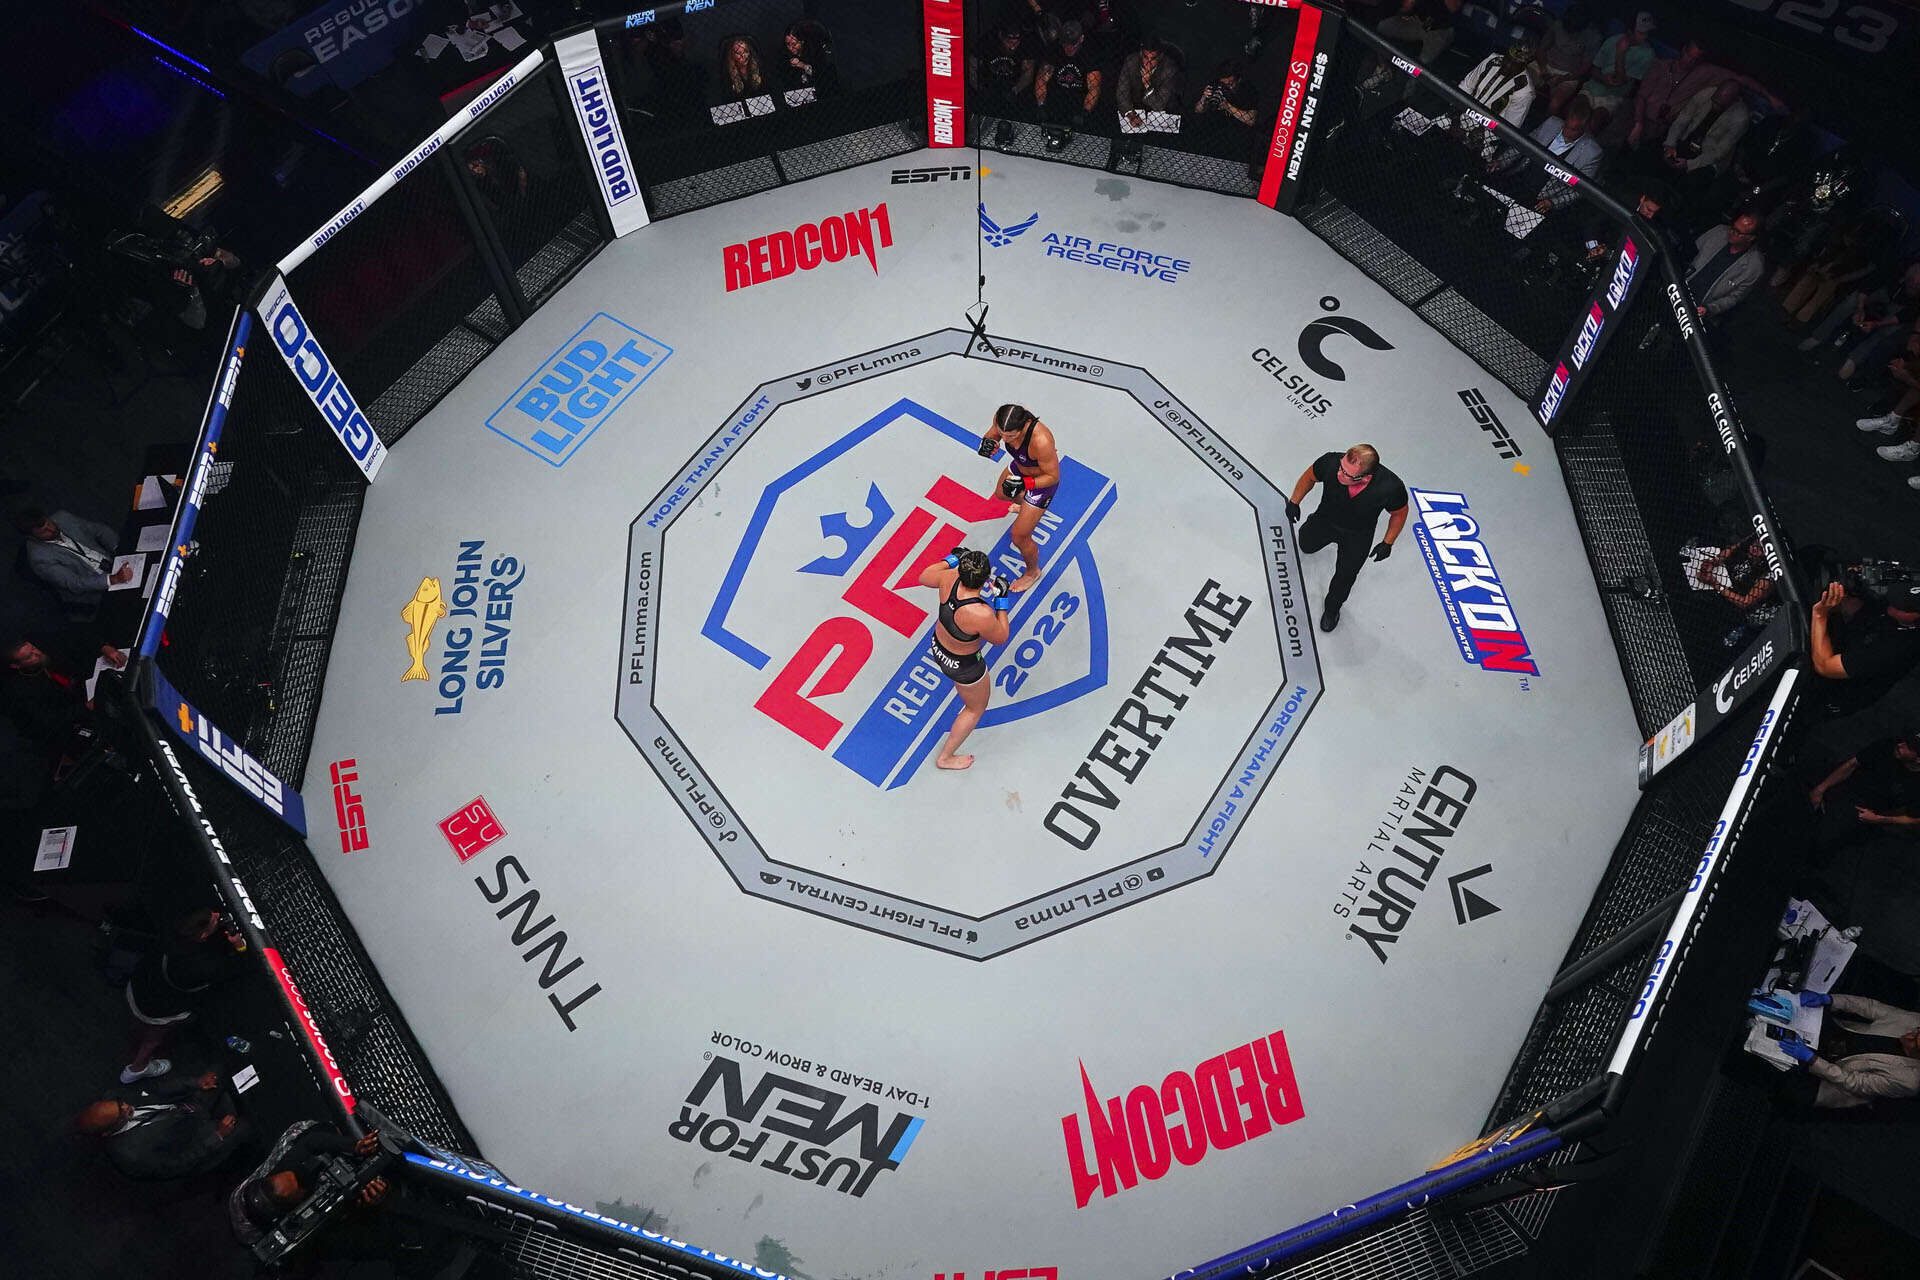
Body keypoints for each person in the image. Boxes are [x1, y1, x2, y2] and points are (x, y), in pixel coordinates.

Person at [1284, 444, 1409, 633]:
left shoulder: (1390, 487)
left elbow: (1399, 513)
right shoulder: (1331, 462)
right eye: (1341, 467)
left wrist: (1388, 542)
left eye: (1346, 474)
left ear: (1365, 477)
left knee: (1346, 576)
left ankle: (1332, 609)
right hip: (1325, 519)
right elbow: (1309, 476)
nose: (1339, 474)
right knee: (1306, 544)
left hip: (1357, 535)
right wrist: (1294, 502)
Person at [120, 907, 247, 1085]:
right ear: (203, 935)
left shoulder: (171, 934)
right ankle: (137, 1068)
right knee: (153, 1038)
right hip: (157, 1009)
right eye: (214, 919)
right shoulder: (202, 967)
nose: (218, 915)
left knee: (137, 1021)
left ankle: (136, 1035)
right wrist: (240, 946)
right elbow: (234, 969)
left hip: (138, 986)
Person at [915, 549, 1011, 771]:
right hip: (963, 666)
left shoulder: (948, 577)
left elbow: (924, 577)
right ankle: (945, 758)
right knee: (975, 709)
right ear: (985, 580)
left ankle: (947, 756)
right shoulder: (981, 613)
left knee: (972, 705)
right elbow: (1000, 638)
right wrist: (1001, 601)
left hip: (938, 647)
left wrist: (951, 560)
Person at [76, 1069, 244, 1179]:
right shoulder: (133, 1156)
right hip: (195, 1138)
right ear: (108, 1132)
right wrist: (217, 1137)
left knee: (222, 1070)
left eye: (120, 1104)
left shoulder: (114, 1098)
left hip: (185, 1104)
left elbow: (157, 1089)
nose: (126, 1106)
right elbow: (177, 1164)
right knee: (245, 1127)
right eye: (121, 1114)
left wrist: (196, 1083)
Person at [1776, 991, 1920, 1110]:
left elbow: (1854, 1082)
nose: (1909, 1035)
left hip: (1835, 1078)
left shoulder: (1909, 1080)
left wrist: (1812, 1059)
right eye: (1917, 1032)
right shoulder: (1915, 1021)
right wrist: (1829, 999)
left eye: (1914, 1042)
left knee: (1780, 1077)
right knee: (1789, 1009)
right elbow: (1870, 1007)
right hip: (1839, 1035)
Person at [979, 403, 1060, 592]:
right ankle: (1028, 508)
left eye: (1012, 437)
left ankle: (1032, 572)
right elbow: (992, 434)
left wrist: (1024, 484)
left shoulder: (1041, 441)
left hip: (1040, 482)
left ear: (1024, 426)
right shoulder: (1001, 418)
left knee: (1019, 536)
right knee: (1001, 493)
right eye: (1004, 436)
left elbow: (1053, 476)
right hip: (1019, 468)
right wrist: (988, 443)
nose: (1008, 441)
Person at [1810, 579, 1920, 716]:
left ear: (1915, 617)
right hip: (1848, 643)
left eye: (1901, 607)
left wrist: (1819, 614)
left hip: (1840, 696)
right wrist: (1844, 594)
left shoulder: (1897, 648)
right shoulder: (1887, 607)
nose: (1891, 606)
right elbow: (1863, 607)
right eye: (1893, 600)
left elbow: (1824, 666)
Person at [1808, 732, 1920, 857]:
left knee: (1825, 838)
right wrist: (1820, 789)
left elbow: (1915, 819)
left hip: (1865, 808)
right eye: (1906, 741)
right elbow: (1852, 764)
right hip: (1849, 782)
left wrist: (1878, 819)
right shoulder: (1889, 745)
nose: (1900, 745)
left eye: (1909, 747)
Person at [1800, 262, 1920, 377]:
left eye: (1917, 287)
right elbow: (1870, 284)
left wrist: (1876, 324)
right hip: (1884, 291)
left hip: (1902, 307)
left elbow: (1906, 315)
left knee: (1888, 331)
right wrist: (1860, 308)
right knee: (1850, 303)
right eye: (1912, 283)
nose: (1914, 286)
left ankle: (1852, 361)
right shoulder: (1896, 268)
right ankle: (1818, 337)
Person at [12, 505, 130, 617]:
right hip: (94, 590)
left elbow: (99, 530)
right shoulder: (39, 558)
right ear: (32, 537)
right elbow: (75, 583)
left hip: (112, 561)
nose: (52, 530)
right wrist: (113, 579)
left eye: (49, 523)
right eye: (44, 532)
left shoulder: (63, 517)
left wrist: (119, 548)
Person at [1661, 82, 1750, 214]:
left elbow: (1719, 152)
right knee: (1656, 157)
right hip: (1686, 141)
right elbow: (1682, 120)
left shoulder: (1740, 118)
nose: (1715, 106)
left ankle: (1674, 213)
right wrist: (1670, 144)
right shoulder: (1705, 94)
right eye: (1714, 101)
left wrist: (1690, 164)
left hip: (1709, 157)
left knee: (1691, 182)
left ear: (1735, 101)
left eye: (1720, 105)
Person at [1521, 96, 1604, 215]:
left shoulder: (1591, 152)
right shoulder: (1551, 123)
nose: (1566, 132)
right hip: (1520, 177)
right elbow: (1522, 145)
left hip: (1542, 198)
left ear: (1584, 129)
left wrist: (1554, 202)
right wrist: (1501, 162)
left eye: (1573, 129)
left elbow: (1581, 189)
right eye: (1566, 126)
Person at [1033, 20, 1106, 153]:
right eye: (1065, 44)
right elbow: (1041, 79)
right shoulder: (1055, 50)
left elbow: (1094, 88)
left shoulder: (1091, 54)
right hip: (1057, 98)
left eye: (1073, 44)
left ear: (1081, 39)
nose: (1068, 48)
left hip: (1080, 100)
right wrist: (1041, 105)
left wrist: (1085, 112)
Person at [1580, 12, 1657, 136]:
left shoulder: (1648, 54)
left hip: (1613, 97)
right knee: (1576, 114)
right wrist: (1602, 78)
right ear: (1630, 31)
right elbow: (1594, 68)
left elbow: (1619, 81)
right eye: (1641, 33)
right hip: (1592, 88)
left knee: (1593, 123)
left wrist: (1620, 53)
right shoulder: (1612, 40)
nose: (1645, 37)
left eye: (1647, 33)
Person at [1684, 215, 1765, 325]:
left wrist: (1709, 309)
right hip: (1680, 285)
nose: (1731, 232)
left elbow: (1734, 298)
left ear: (1750, 238)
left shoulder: (1754, 266)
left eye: (1738, 232)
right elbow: (1690, 251)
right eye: (1733, 227)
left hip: (1698, 307)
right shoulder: (1719, 232)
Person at [1528, 2, 1601, 121]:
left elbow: (1585, 67)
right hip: (1544, 65)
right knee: (1521, 83)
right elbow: (1541, 50)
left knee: (1555, 104)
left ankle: (1541, 128)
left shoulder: (1593, 37)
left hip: (1568, 75)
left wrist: (1563, 78)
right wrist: (1544, 69)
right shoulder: (1558, 25)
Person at [971, 21, 1039, 146]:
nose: (1013, 45)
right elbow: (972, 67)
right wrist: (978, 87)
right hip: (989, 83)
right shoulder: (987, 42)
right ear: (1001, 36)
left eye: (1016, 42)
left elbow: (1028, 74)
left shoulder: (1026, 44)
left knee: (1018, 105)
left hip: (1013, 86)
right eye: (1009, 41)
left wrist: (1016, 89)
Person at [1115, 38, 1180, 164]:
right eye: (1145, 57)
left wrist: (1147, 84)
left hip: (1157, 110)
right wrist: (1130, 114)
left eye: (1153, 58)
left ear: (1160, 57)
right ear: (1141, 54)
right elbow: (1121, 92)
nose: (1148, 62)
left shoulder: (1169, 69)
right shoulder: (1131, 61)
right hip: (1135, 104)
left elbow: (1159, 105)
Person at [1188, 57, 1259, 157]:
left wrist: (1227, 106)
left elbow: (1251, 120)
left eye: (1230, 84)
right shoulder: (1215, 84)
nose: (1227, 87)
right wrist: (1203, 98)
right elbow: (1198, 110)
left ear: (1238, 79)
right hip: (1213, 136)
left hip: (1237, 140)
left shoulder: (1248, 89)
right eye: (1224, 84)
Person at [776, 21, 838, 101]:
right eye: (788, 44)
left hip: (823, 93)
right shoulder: (786, 58)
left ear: (802, 41)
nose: (791, 48)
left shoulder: (815, 53)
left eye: (794, 44)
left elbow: (822, 74)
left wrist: (802, 65)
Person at [716, 34, 769, 109]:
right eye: (738, 53)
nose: (743, 55)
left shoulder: (759, 66)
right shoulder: (726, 73)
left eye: (745, 51)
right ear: (732, 55)